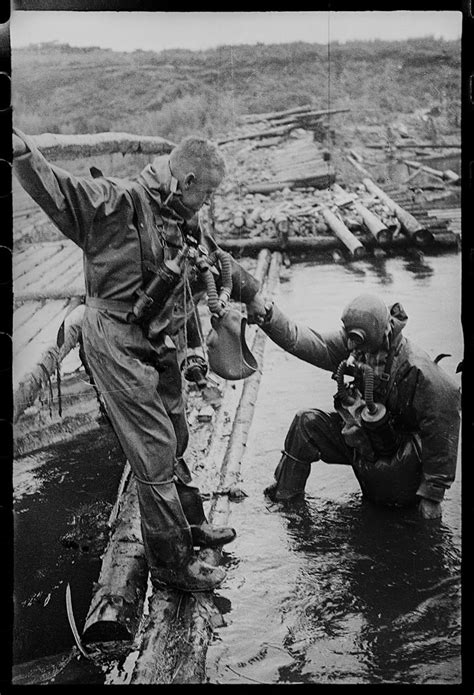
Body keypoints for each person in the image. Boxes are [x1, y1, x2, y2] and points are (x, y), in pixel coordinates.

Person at [13, 129, 261, 591]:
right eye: (206, 194)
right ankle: (171, 564)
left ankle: (190, 524)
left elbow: (210, 262)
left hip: (159, 337)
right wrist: (24, 152)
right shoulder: (116, 201)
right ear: (186, 180)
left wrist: (249, 301)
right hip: (115, 338)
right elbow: (60, 190)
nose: (207, 203)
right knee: (153, 449)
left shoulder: (181, 214)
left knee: (177, 432)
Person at [247, 292, 460, 520]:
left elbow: (442, 429)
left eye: (355, 338)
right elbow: (308, 342)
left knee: (391, 508)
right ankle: (285, 500)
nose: (349, 345)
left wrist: (432, 495)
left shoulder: (417, 369)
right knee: (306, 423)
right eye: (347, 335)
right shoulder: (359, 346)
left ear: (378, 333)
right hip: (367, 441)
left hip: (400, 459)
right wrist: (269, 316)